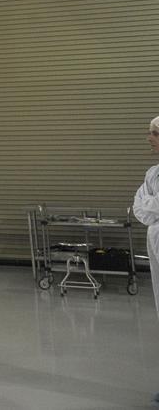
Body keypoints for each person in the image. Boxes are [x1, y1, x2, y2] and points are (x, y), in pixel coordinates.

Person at [134, 117, 159, 405]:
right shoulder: (152, 173)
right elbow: (140, 208)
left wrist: (150, 202)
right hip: (155, 243)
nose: (149, 138)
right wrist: (151, 203)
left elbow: (148, 205)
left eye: (155, 134)